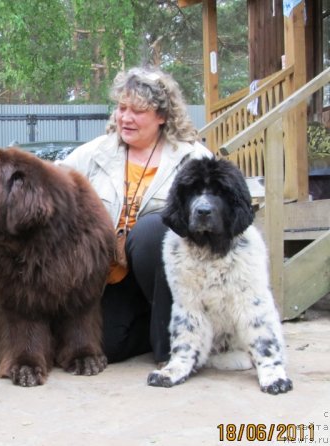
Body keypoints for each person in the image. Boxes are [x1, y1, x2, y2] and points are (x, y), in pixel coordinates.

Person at [58, 66, 212, 365]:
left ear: (162, 116)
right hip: (116, 276)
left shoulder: (192, 158)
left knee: (151, 232)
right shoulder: (94, 154)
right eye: (121, 108)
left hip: (173, 278)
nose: (125, 118)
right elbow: (53, 187)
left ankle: (174, 343)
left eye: (138, 111)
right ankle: (153, 324)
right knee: (106, 346)